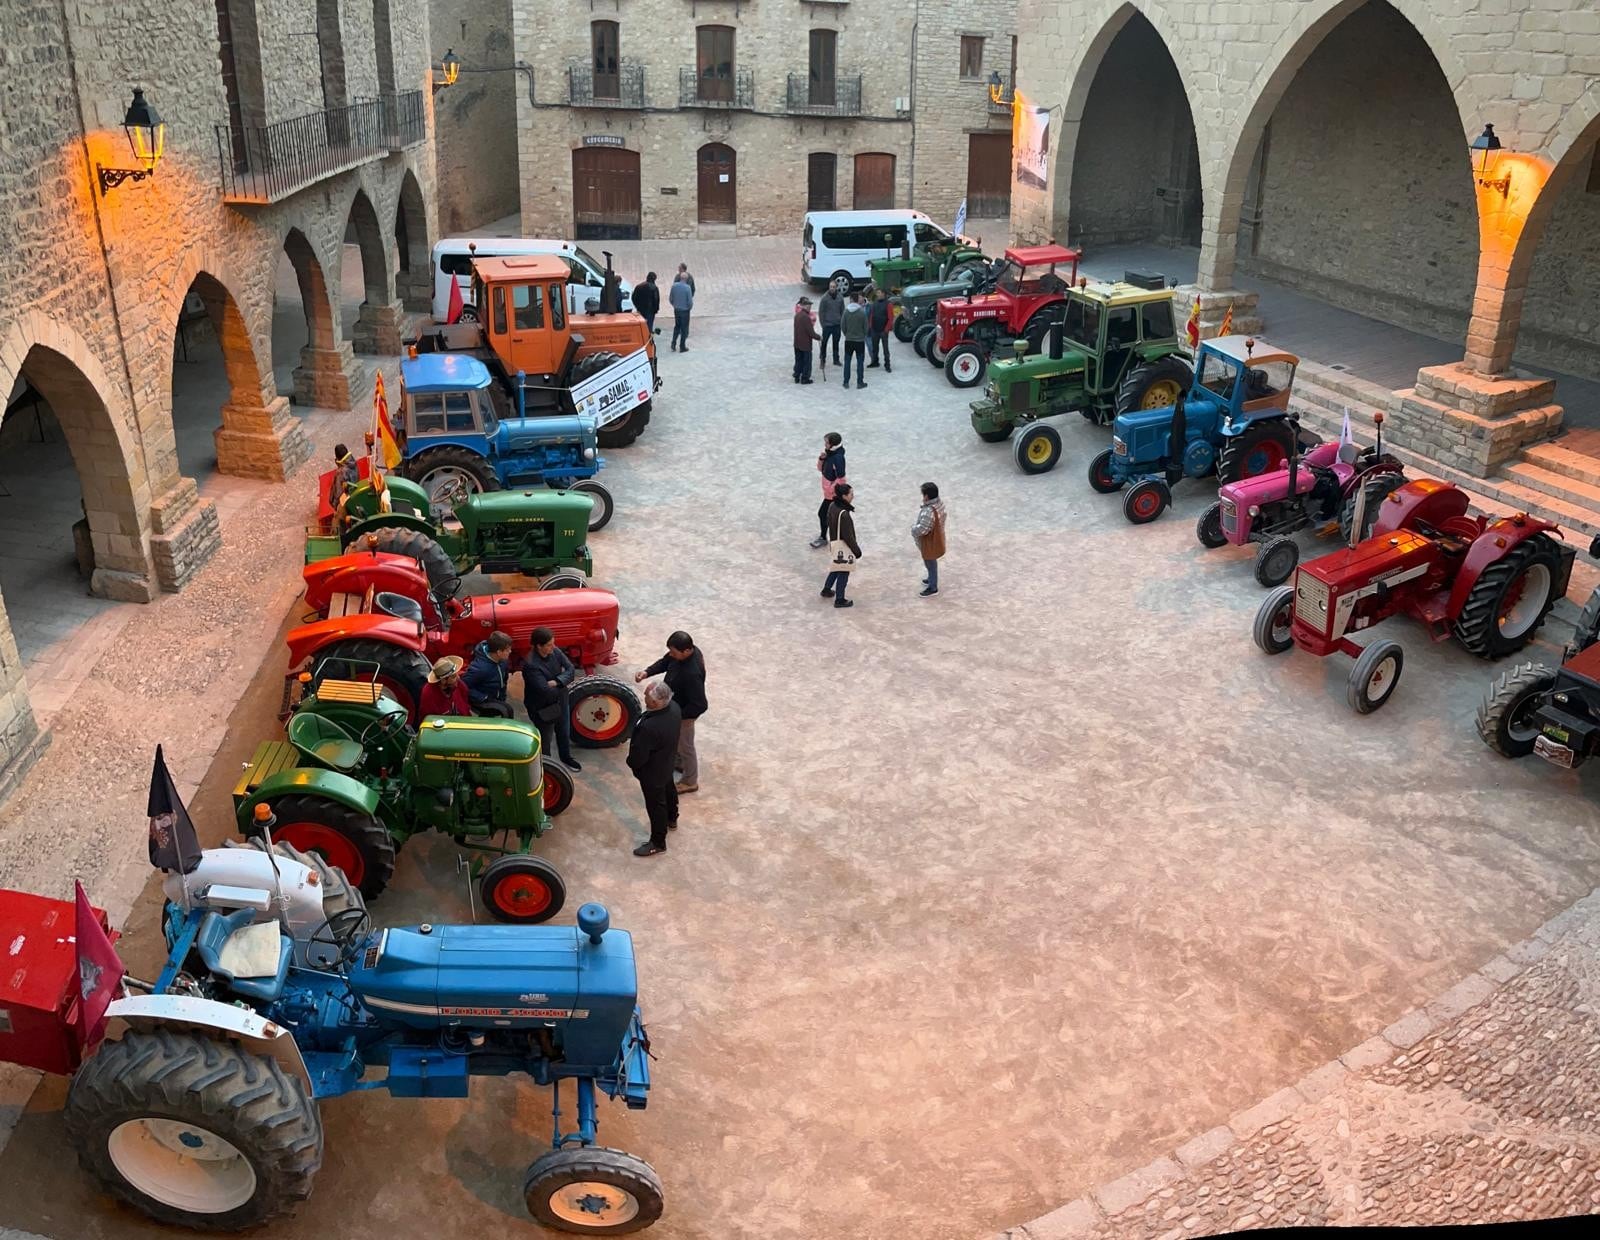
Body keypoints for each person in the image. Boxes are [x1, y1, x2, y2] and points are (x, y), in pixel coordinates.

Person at [635, 632, 706, 793]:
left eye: (674, 652)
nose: (671, 655)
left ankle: (690, 781)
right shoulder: (682, 654)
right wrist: (648, 672)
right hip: (675, 705)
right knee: (677, 741)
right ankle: (679, 763)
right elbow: (666, 661)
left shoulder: (692, 674)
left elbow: (700, 704)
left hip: (684, 714)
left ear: (687, 651)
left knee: (686, 746)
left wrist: (676, 716)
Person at [627, 680, 681, 857]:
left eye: (646, 697)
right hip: (666, 762)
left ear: (656, 703)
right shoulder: (674, 708)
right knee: (669, 788)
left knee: (655, 805)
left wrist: (632, 764)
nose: (644, 698)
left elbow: (639, 757)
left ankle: (658, 842)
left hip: (652, 772)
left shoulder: (649, 727)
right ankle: (672, 818)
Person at [521, 626, 581, 770]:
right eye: (549, 645)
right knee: (545, 739)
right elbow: (544, 690)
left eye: (553, 643)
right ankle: (547, 767)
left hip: (561, 701)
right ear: (538, 646)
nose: (553, 647)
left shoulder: (555, 651)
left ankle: (566, 757)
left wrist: (557, 682)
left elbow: (571, 669)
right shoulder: (531, 665)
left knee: (564, 732)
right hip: (543, 708)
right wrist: (563, 683)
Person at [822, 482, 862, 609]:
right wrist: (857, 551)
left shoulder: (832, 505)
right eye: (851, 494)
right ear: (844, 496)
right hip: (843, 546)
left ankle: (826, 589)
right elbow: (848, 537)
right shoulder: (844, 514)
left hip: (834, 543)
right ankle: (840, 599)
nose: (853, 496)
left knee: (836, 567)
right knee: (844, 571)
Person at [463, 631, 514, 717]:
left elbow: (504, 679)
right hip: (482, 700)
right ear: (498, 652)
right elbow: (464, 686)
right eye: (507, 650)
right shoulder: (480, 669)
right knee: (506, 711)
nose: (510, 651)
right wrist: (483, 697)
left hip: (497, 697)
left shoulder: (503, 661)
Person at [811, 432, 846, 549]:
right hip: (828, 494)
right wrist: (821, 459)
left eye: (826, 442)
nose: (825, 444)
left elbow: (841, 479)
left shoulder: (838, 458)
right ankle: (832, 539)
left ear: (832, 444)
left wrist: (831, 490)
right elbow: (820, 469)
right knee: (829, 516)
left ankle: (826, 539)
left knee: (823, 514)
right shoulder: (829, 455)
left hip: (833, 495)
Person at [911, 482, 947, 597]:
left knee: (929, 561)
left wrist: (913, 529)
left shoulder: (928, 512)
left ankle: (933, 587)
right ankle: (931, 578)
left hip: (929, 542)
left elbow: (922, 529)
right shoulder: (939, 504)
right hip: (937, 537)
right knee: (932, 561)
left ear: (926, 496)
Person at [840, 293, 868, 390]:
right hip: (860, 341)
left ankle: (846, 382)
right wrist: (862, 335)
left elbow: (843, 326)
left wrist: (847, 334)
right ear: (858, 300)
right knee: (860, 362)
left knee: (847, 361)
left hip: (849, 341)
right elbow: (866, 328)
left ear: (851, 299)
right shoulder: (862, 312)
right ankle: (860, 382)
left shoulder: (846, 312)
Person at [817, 283, 844, 373]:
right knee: (824, 343)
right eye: (830, 287)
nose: (832, 288)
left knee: (836, 343)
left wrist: (841, 322)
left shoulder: (840, 298)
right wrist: (823, 324)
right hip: (827, 325)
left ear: (836, 287)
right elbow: (821, 312)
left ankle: (836, 359)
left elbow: (842, 310)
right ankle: (822, 360)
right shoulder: (824, 298)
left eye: (834, 287)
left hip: (837, 325)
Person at [327, 442, 360, 509]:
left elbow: (338, 495)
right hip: (356, 495)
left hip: (346, 503)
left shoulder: (340, 473)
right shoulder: (353, 462)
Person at [866, 288, 892, 372]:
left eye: (879, 293)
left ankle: (887, 364)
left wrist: (886, 329)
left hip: (883, 330)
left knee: (885, 349)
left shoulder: (888, 304)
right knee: (874, 348)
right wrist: (870, 326)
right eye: (877, 293)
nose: (878, 294)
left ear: (884, 294)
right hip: (875, 329)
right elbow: (871, 316)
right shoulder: (874, 303)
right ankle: (875, 362)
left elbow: (890, 318)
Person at [792, 296, 816, 385]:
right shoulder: (806, 317)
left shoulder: (797, 316)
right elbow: (811, 332)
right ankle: (805, 378)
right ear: (803, 306)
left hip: (797, 343)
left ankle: (797, 376)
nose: (809, 307)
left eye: (810, 305)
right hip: (805, 344)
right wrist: (819, 337)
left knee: (798, 360)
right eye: (808, 305)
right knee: (807, 362)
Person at [668, 273, 694, 352]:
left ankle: (673, 343)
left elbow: (670, 298)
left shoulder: (674, 286)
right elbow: (690, 301)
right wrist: (689, 308)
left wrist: (674, 305)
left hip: (677, 310)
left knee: (677, 326)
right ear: (686, 279)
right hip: (685, 311)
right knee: (684, 328)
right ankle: (682, 346)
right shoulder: (687, 288)